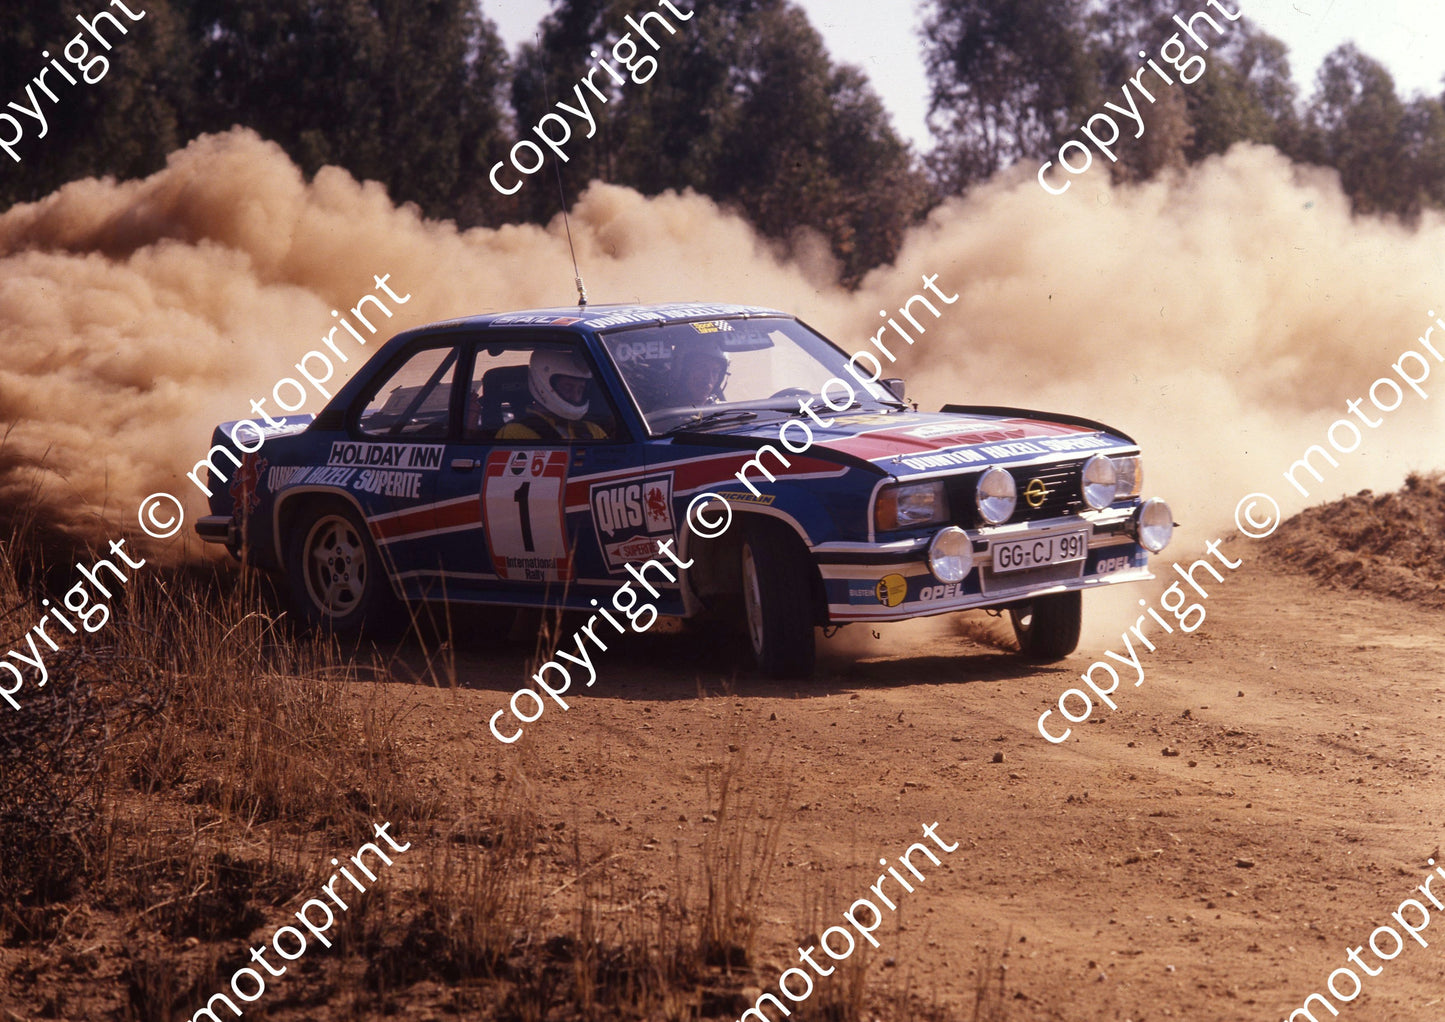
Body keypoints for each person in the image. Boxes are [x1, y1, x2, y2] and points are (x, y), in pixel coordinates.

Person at [496, 348, 609, 441]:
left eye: (580, 390)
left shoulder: (593, 430)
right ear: (543, 383)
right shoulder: (515, 433)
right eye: (568, 388)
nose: (575, 397)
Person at [666, 338, 730, 407]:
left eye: (715, 371)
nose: (708, 378)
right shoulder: (661, 414)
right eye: (701, 368)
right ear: (683, 371)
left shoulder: (721, 412)